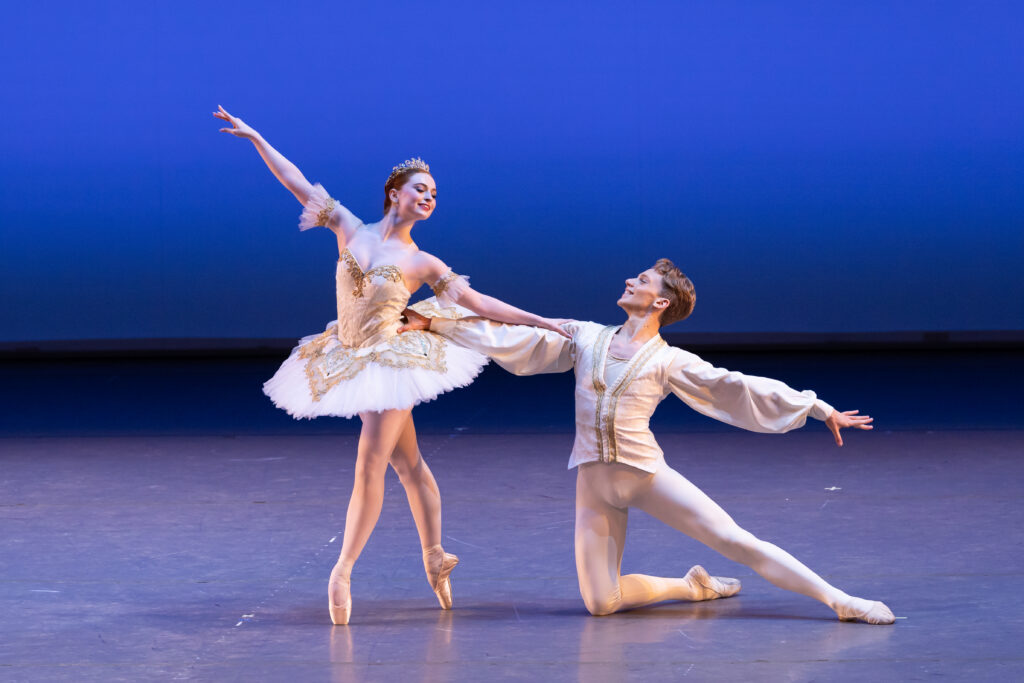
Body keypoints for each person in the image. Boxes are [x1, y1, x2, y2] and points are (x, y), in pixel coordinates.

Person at [213, 106, 568, 625]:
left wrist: (538, 319)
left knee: (370, 462)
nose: (428, 197)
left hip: (391, 362)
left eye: (435, 194)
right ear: (394, 192)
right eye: (421, 188)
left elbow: (480, 303)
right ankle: (435, 557)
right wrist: (256, 138)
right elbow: (295, 183)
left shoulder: (424, 263)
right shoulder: (349, 228)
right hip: (350, 356)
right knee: (409, 464)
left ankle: (342, 571)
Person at [400, 258, 895, 624]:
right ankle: (692, 586)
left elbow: (736, 385)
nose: (628, 281)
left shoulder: (668, 360)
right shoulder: (585, 336)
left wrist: (815, 406)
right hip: (593, 482)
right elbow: (513, 336)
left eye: (641, 281)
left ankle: (839, 600)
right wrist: (438, 321)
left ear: (660, 302)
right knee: (601, 603)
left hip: (643, 475)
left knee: (735, 540)